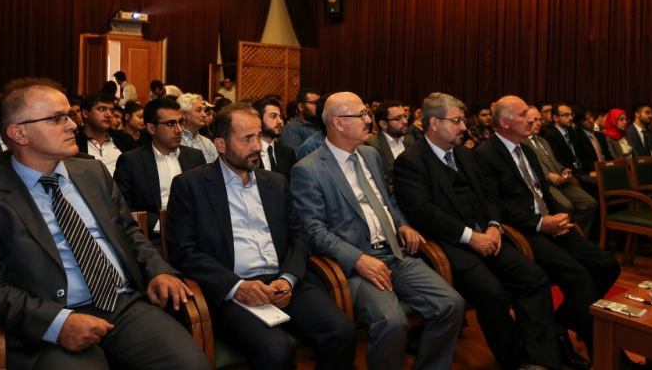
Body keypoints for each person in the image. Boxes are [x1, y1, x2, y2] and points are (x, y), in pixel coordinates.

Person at [0, 77, 209, 370]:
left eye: (70, 115)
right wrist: (57, 323)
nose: (72, 125)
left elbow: (129, 232)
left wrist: (158, 271)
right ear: (19, 133)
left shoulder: (92, 172)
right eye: (57, 118)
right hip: (52, 315)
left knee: (191, 364)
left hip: (122, 303)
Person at [166, 103, 356, 369]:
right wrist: (237, 287)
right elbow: (184, 251)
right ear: (220, 144)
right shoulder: (191, 185)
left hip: (282, 284)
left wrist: (288, 279)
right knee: (276, 352)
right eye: (247, 139)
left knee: (342, 332)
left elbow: (299, 236)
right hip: (232, 291)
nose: (257, 146)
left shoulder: (275, 183)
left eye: (257, 136)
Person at [291, 92, 465, 370]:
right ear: (338, 123)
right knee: (391, 322)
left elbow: (387, 198)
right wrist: (358, 260)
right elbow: (314, 230)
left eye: (366, 113)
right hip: (355, 264)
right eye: (361, 115)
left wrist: (402, 224)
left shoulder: (370, 155)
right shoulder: (309, 169)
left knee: (452, 304)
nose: (368, 120)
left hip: (395, 253)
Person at [393, 92, 560, 370]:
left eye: (463, 120)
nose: (463, 127)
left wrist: (494, 226)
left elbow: (491, 195)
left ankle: (541, 360)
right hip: (449, 246)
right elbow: (424, 214)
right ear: (434, 123)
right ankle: (515, 361)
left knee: (534, 277)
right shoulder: (410, 161)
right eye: (456, 121)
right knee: (492, 292)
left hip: (488, 237)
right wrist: (471, 238)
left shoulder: (466, 155)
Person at [476, 95, 620, 367]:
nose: (531, 119)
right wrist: (541, 223)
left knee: (606, 265)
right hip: (524, 232)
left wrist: (559, 215)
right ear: (504, 122)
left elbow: (542, 192)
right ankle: (608, 359)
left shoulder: (527, 149)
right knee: (578, 276)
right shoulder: (485, 156)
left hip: (550, 224)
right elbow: (495, 206)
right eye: (523, 115)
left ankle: (561, 321)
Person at [113, 98, 206, 235]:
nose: (179, 130)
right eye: (171, 124)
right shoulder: (131, 161)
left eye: (180, 122)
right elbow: (121, 208)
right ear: (151, 128)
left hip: (195, 233)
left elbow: (207, 199)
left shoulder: (194, 157)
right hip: (152, 237)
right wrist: (161, 224)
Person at [522, 107, 598, 237]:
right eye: (535, 120)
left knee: (589, 203)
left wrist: (563, 170)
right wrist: (548, 175)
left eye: (540, 120)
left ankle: (579, 236)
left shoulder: (542, 140)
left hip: (560, 180)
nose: (539, 123)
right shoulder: (522, 142)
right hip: (544, 183)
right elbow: (528, 167)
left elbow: (554, 162)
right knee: (566, 206)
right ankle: (568, 238)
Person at [76, 94, 138, 175]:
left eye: (111, 111)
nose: (109, 115)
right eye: (102, 109)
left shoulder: (125, 139)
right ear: (85, 113)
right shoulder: (75, 144)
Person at [365, 100, 415, 184]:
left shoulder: (410, 140)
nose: (405, 121)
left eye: (405, 116)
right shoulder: (373, 145)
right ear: (383, 124)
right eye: (398, 118)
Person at [252, 96, 297, 179]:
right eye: (273, 116)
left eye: (280, 117)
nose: (280, 121)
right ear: (259, 120)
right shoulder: (249, 151)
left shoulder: (287, 153)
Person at [177, 93, 218, 163]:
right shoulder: (175, 141)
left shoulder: (207, 143)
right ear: (183, 114)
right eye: (199, 110)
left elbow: (217, 167)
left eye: (204, 110)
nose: (204, 115)